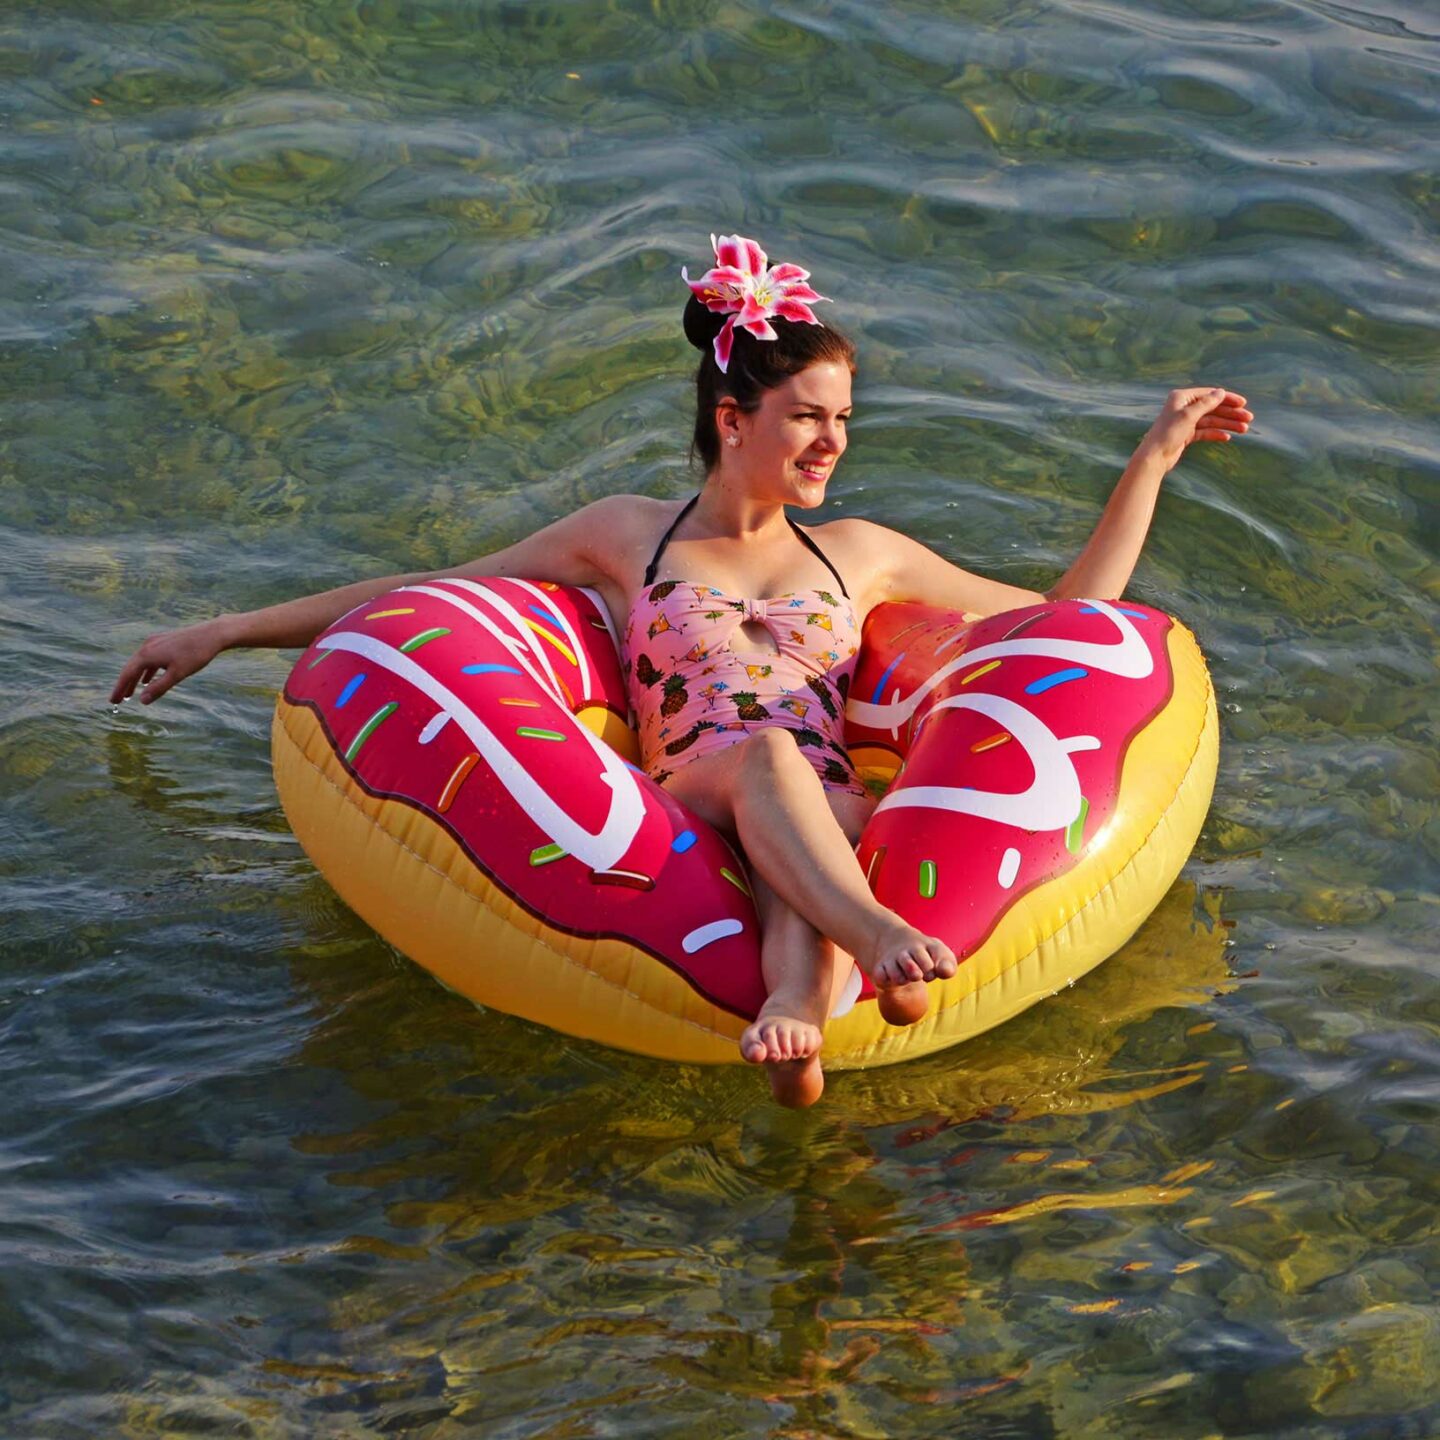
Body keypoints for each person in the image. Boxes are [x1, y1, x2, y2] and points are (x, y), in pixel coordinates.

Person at [112, 233, 1252, 1107]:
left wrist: (1151, 458)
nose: (832, 443)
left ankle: (801, 1017)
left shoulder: (862, 556)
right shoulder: (630, 537)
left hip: (814, 800)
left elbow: (1065, 626)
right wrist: (225, 631)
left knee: (807, 793)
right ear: (732, 415)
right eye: (807, 417)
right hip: (686, 797)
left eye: (844, 419)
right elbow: (420, 596)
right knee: (764, 761)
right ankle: (872, 948)